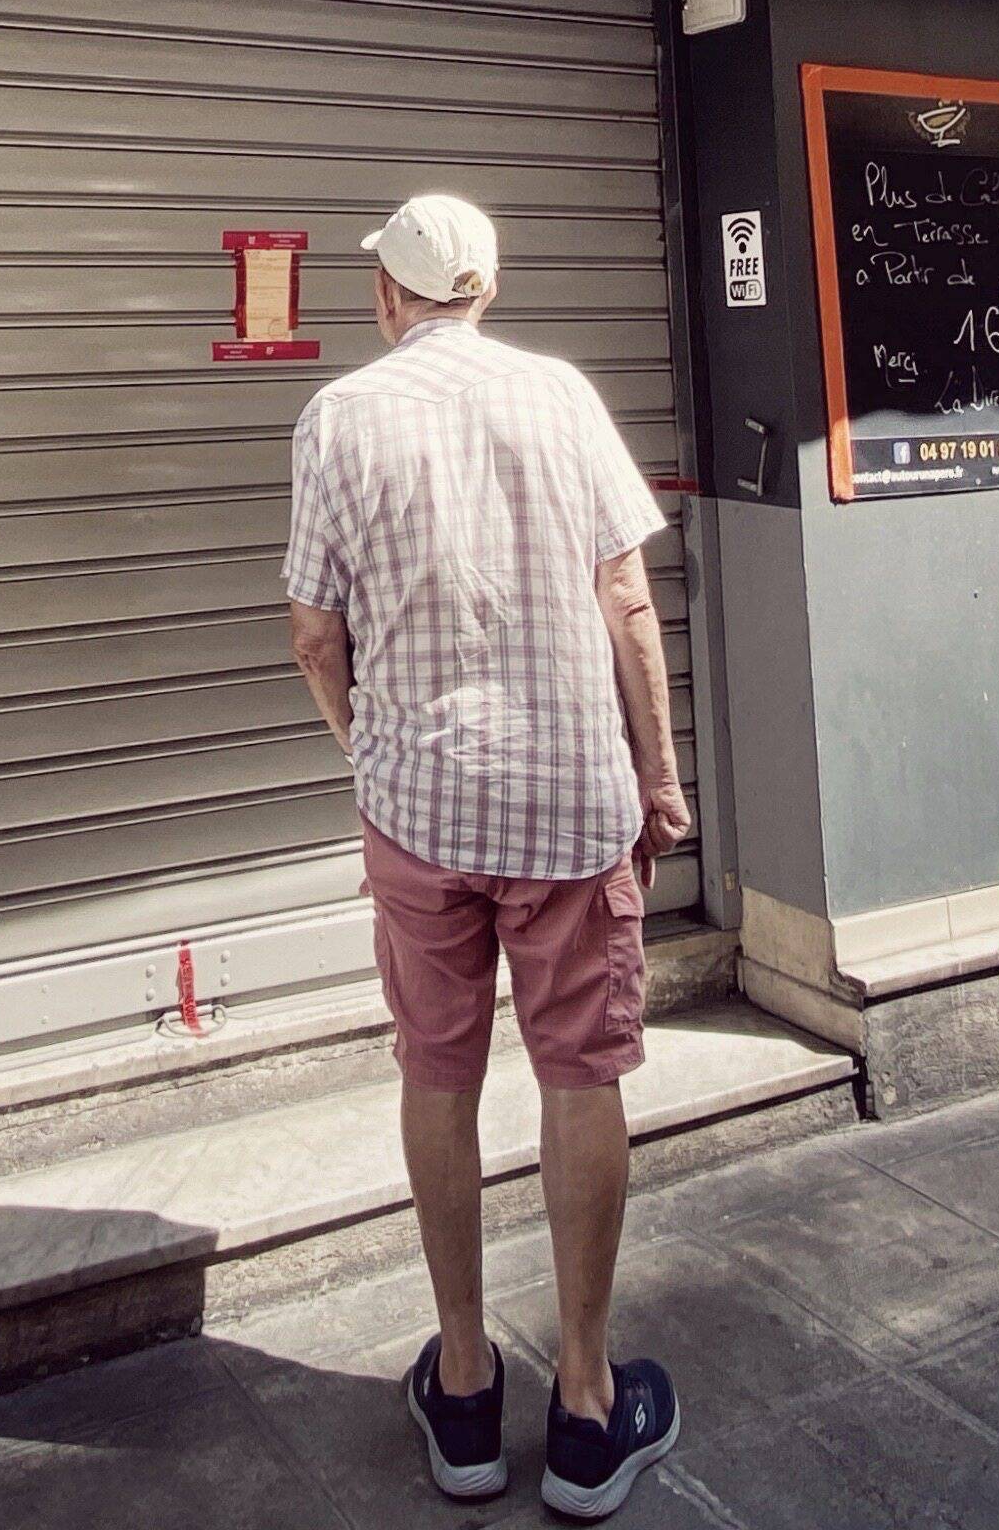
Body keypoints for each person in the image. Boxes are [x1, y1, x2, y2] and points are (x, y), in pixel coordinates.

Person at [284, 191, 694, 1520]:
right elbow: (627, 598)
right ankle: (583, 1404)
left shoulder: (339, 418)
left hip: (420, 814)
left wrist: (370, 750)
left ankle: (464, 1388)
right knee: (579, 1074)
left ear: (386, 297)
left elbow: (311, 631)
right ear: (488, 288)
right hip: (573, 804)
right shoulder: (562, 396)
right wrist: (661, 773)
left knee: (438, 1070)